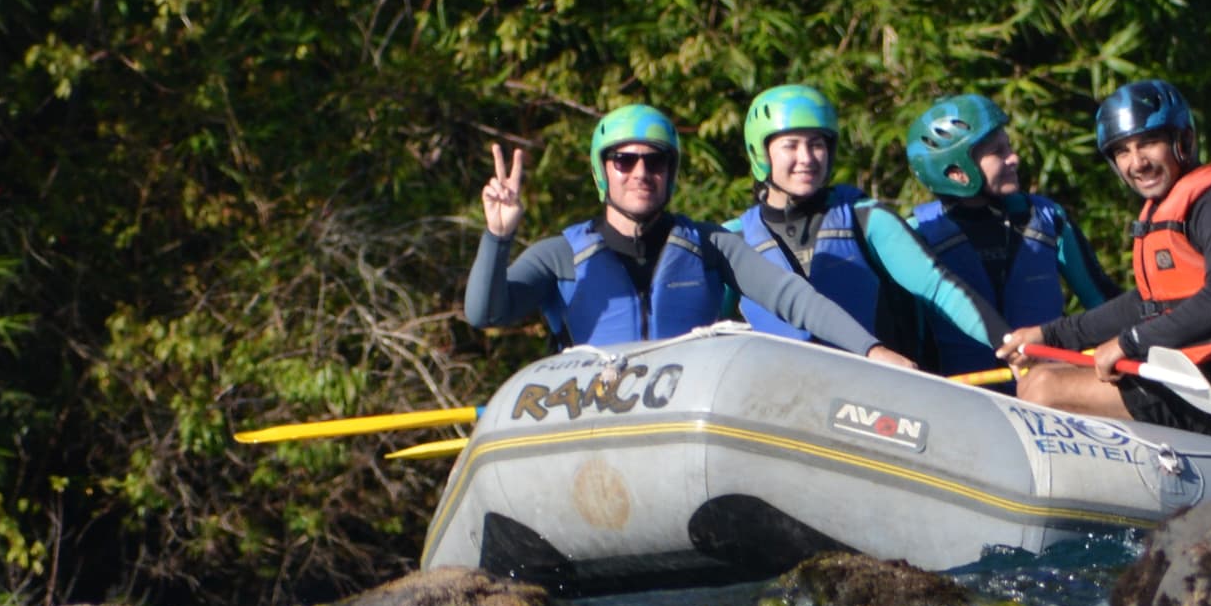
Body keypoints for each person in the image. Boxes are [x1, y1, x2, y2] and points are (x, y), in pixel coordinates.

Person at [464, 105, 910, 358]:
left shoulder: (710, 246)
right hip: (596, 422)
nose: (641, 172)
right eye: (625, 160)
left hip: (682, 423)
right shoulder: (558, 254)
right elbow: (486, 314)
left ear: (670, 173)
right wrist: (498, 237)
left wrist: (873, 351)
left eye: (655, 161)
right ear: (604, 172)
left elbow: (793, 299)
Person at [999, 80, 1211, 440]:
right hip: (1194, 379)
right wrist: (1049, 335)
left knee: (1045, 387)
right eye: (1122, 151)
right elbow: (1146, 304)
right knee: (1042, 374)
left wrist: (1127, 343)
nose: (1137, 163)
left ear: (1183, 141)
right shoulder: (1167, 208)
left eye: (1148, 143)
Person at [726, 84, 1001, 363]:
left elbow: (938, 289)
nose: (806, 158)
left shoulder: (867, 219)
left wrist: (1007, 344)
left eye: (816, 144)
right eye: (791, 145)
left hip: (874, 393)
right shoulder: (732, 241)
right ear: (760, 153)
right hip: (780, 398)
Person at [902, 93, 1113, 375]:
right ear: (956, 171)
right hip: (962, 399)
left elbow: (1104, 304)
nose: (1014, 158)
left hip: (1050, 395)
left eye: (1009, 147)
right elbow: (907, 336)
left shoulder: (1048, 218)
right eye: (998, 152)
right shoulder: (916, 234)